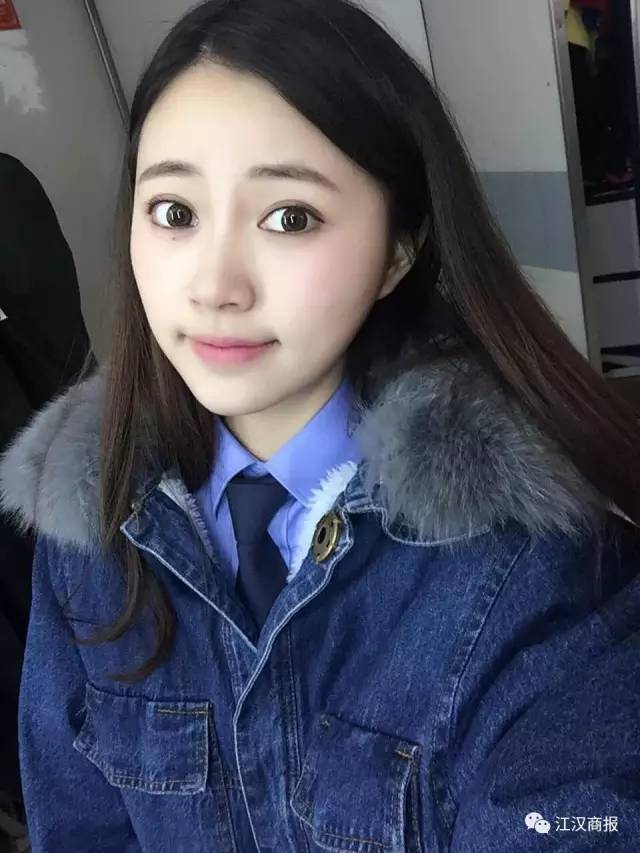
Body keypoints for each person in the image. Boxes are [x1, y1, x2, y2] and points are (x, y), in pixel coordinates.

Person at [1, 1, 640, 849]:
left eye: (289, 217)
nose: (215, 286)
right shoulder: (91, 511)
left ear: (397, 250)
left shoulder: (534, 560)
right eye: (175, 212)